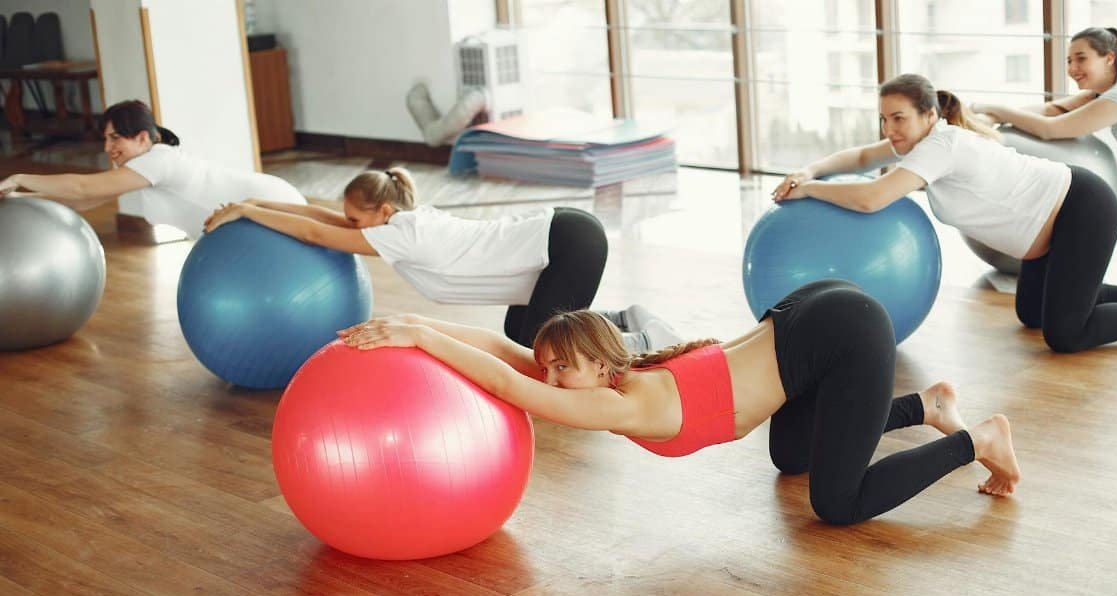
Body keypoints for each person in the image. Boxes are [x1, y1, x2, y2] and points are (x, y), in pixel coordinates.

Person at [336, 280, 1021, 526]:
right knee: (790, 455)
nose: (548, 378)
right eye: (550, 366)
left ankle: (977, 439)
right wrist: (413, 326)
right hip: (809, 318)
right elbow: (504, 350)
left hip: (839, 332)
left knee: (836, 503)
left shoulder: (622, 402)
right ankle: (926, 403)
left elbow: (509, 385)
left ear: (600, 365)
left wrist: (418, 332)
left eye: (560, 370)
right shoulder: (616, 370)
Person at [770, 73, 1117, 352]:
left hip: (1079, 207)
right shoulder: (922, 140)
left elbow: (872, 197)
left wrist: (809, 190)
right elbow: (864, 156)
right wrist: (812, 168)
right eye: (884, 119)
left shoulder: (941, 146)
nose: (889, 130)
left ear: (929, 115)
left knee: (1066, 333)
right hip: (1051, 226)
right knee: (1031, 313)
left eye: (898, 118)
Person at [204, 168, 678, 349]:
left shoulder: (400, 235)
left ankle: (644, 338)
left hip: (567, 241)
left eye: (354, 219)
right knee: (518, 337)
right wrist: (255, 205)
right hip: (556, 242)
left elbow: (312, 231)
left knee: (545, 348)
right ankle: (619, 319)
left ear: (382, 213)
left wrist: (247, 209)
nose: (346, 226)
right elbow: (318, 215)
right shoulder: (399, 223)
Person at [972, 27, 1117, 268]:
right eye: (1069, 60)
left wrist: (993, 108)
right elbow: (1052, 110)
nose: (1072, 68)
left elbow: (1050, 129)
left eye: (1082, 58)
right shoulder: (1111, 90)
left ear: (1109, 58)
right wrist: (991, 118)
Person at [0, 100, 305, 240]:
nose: (107, 148)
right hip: (261, 210)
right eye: (105, 139)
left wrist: (19, 177)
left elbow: (83, 188)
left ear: (142, 138)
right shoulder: (153, 163)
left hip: (272, 206)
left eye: (115, 138)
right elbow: (83, 201)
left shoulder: (157, 161)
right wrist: (21, 199)